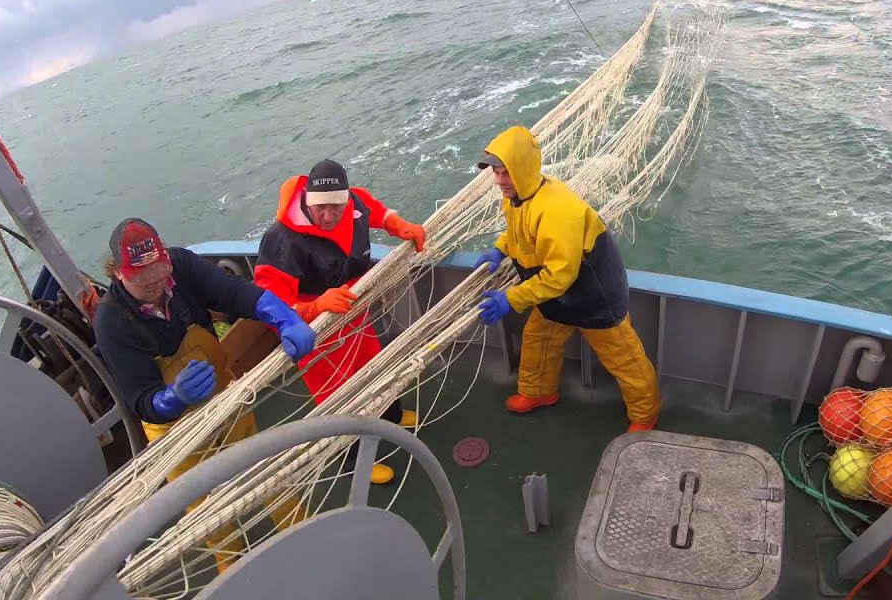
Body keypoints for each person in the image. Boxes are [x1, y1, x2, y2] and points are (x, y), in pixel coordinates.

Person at [93, 218, 317, 573]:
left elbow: (234, 292)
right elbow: (140, 399)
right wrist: (173, 399)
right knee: (206, 506)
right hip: (175, 432)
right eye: (142, 280)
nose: (155, 285)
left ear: (167, 259)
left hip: (224, 398)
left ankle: (304, 532)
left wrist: (284, 317)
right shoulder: (110, 323)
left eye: (160, 273)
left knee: (264, 469)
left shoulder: (182, 266)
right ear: (119, 275)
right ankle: (232, 566)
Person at [472, 126, 661, 432]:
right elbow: (518, 233)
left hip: (592, 293)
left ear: (522, 170)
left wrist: (512, 298)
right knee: (538, 339)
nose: (499, 181)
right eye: (495, 172)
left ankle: (645, 414)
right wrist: (499, 249)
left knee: (623, 357)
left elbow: (560, 275)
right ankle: (539, 393)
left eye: (505, 173)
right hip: (555, 294)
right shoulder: (516, 197)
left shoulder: (558, 210)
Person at [254, 159, 427, 484]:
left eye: (336, 207)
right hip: (315, 331)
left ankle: (391, 414)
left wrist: (401, 225)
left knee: (374, 365)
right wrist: (315, 306)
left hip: (353, 311)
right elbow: (269, 305)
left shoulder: (355, 204)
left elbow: (378, 212)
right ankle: (353, 458)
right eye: (321, 208)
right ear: (307, 200)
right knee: (338, 393)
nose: (329, 216)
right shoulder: (281, 240)